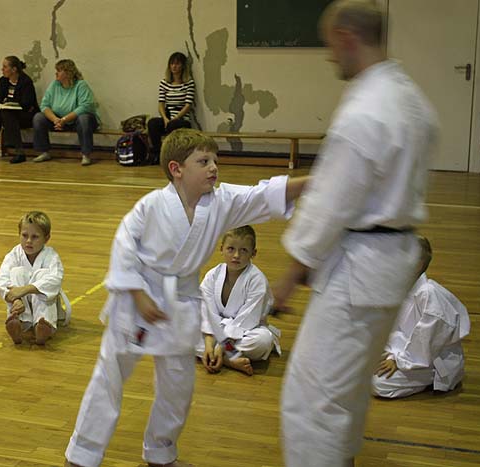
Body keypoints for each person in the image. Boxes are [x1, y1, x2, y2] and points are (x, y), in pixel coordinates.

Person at [64, 128, 307, 467]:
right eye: (204, 161)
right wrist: (136, 293)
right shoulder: (151, 206)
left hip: (179, 303)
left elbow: (262, 195)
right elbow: (124, 244)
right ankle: (82, 455)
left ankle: (161, 453)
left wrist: (312, 182)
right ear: (177, 169)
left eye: (215, 161)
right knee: (110, 377)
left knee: (178, 385)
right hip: (137, 302)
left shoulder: (220, 202)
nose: (214, 168)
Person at [273, 2, 438, 466]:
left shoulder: (365, 110)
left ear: (347, 37)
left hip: (359, 269)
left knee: (312, 403)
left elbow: (331, 202)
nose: (330, 58)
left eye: (329, 45)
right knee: (345, 394)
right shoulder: (409, 97)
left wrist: (292, 272)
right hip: (392, 260)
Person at [372, 236, 470, 398]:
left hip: (430, 361)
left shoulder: (430, 296)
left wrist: (398, 361)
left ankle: (431, 379)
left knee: (378, 384)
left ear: (416, 265)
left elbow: (425, 343)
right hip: (400, 349)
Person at [197, 225, 280, 376]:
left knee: (262, 341)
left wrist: (220, 348)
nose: (236, 255)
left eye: (243, 250)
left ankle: (218, 356)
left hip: (246, 331)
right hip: (215, 332)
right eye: (231, 249)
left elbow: (245, 321)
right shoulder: (213, 275)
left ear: (253, 253)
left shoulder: (257, 281)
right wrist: (209, 344)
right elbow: (206, 312)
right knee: (180, 326)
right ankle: (230, 361)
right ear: (221, 249)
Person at [0, 211, 71, 345]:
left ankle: (42, 325)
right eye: (24, 235)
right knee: (16, 272)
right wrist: (16, 298)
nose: (28, 241)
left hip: (42, 301)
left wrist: (26, 289)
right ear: (19, 234)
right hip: (20, 303)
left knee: (42, 276)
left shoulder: (51, 256)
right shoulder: (14, 254)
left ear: (46, 238)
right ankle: (18, 322)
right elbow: (1, 278)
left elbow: (55, 280)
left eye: (35, 237)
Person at [32, 59, 100, 166]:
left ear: (68, 73)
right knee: (38, 117)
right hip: (59, 121)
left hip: (76, 120)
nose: (56, 73)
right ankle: (44, 152)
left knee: (84, 119)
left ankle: (86, 154)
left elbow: (85, 106)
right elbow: (44, 105)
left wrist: (64, 119)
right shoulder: (54, 85)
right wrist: (55, 120)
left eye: (59, 71)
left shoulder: (81, 85)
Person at [0, 55, 40, 164]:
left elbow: (26, 104)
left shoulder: (25, 81)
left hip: (25, 115)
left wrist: (10, 103)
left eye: (5, 67)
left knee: (6, 113)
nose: (2, 69)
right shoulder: (3, 81)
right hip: (7, 114)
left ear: (14, 69)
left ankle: (20, 152)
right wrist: (10, 103)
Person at [147, 52, 195, 163]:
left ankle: (173, 155)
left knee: (173, 125)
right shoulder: (164, 83)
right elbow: (161, 103)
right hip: (167, 117)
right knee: (152, 123)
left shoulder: (189, 83)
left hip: (182, 119)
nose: (174, 66)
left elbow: (188, 105)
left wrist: (176, 117)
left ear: (183, 66)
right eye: (172, 64)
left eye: (177, 64)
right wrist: (165, 118)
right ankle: (157, 154)